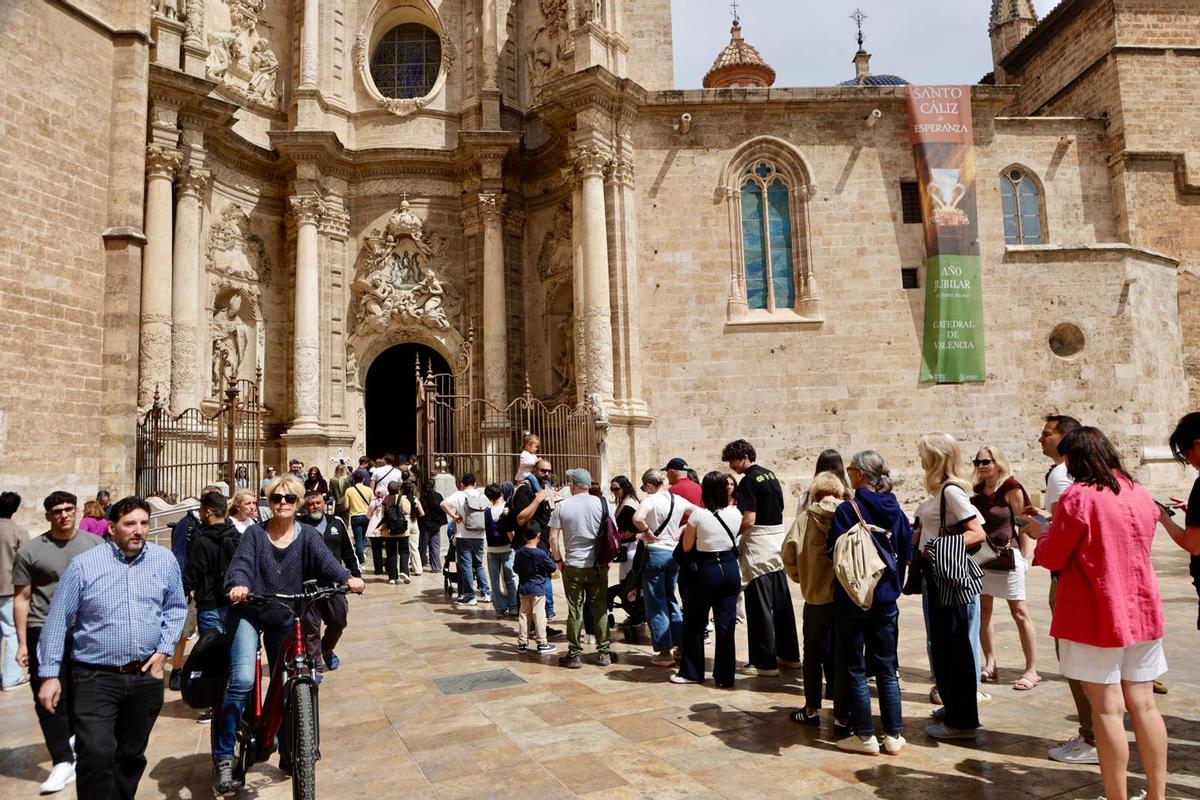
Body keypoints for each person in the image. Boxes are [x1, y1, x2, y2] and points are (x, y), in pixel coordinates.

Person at [1028, 427, 1167, 800]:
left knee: (1107, 711)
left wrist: (1041, 535)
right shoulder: (1139, 492)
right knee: (1145, 705)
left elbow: (1054, 555)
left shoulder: (1079, 496)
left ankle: (1117, 796)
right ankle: (1157, 795)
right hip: (1143, 609)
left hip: (1096, 612)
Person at [213, 474, 364, 794]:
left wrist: (348, 578)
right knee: (243, 679)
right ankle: (224, 756)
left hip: (283, 612)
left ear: (298, 503)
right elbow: (240, 565)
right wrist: (238, 584)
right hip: (250, 610)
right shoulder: (254, 534)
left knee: (291, 678)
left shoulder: (307, 535)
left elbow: (327, 563)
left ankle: (292, 748)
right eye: (276, 498)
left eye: (289, 498)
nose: (283, 503)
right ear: (269, 502)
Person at [36, 496, 186, 800]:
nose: (139, 530)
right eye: (130, 524)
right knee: (96, 752)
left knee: (131, 755)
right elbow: (57, 620)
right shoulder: (84, 565)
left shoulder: (164, 560)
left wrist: (164, 650)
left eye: (144, 523)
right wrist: (49, 675)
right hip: (95, 677)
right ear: (112, 528)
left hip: (145, 675)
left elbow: (175, 607)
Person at [13, 491, 102, 794]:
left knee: (81, 690)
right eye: (57, 511)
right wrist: (22, 642)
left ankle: (74, 742)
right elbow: (22, 597)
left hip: (83, 629)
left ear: (76, 511)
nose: (64, 515)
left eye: (68, 509)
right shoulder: (31, 550)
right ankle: (62, 759)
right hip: (43, 628)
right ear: (48, 515)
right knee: (46, 694)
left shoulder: (94, 545)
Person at [828, 452, 912, 755]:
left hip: (853, 600)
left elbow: (833, 554)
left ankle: (865, 736)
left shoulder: (847, 510)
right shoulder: (895, 509)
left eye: (851, 469)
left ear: (861, 474)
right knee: (887, 668)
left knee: (855, 667)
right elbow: (906, 551)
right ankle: (893, 735)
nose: (848, 474)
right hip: (887, 600)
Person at [1026, 414, 1098, 765]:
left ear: (1067, 438)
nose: (1041, 439)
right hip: (1101, 581)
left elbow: (1059, 537)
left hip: (1069, 579)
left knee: (1074, 659)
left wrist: (1038, 531)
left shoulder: (1059, 475)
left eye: (1047, 433)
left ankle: (1091, 736)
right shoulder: (1113, 483)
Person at [915, 432, 988, 740]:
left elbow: (977, 532)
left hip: (949, 578)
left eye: (924, 454)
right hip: (937, 578)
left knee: (955, 648)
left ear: (935, 457)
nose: (920, 460)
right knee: (943, 646)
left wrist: (937, 547)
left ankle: (963, 722)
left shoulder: (951, 491)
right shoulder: (941, 490)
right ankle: (953, 708)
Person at [723, 439, 801, 677]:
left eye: (733, 460)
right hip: (776, 545)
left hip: (758, 548)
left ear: (745, 456)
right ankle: (789, 655)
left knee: (759, 606)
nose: (731, 466)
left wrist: (731, 536)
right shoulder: (771, 475)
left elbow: (749, 519)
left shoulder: (748, 481)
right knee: (781, 603)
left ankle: (764, 663)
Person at [971, 445, 1040, 691]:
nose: (981, 467)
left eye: (986, 462)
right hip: (983, 558)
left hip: (1008, 556)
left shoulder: (1011, 488)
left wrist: (1025, 557)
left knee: (1019, 612)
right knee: (983, 611)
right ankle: (990, 662)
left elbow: (1024, 524)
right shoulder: (977, 492)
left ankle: (1032, 670)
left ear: (998, 462)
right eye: (977, 462)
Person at [786, 470, 844, 726]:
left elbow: (788, 553)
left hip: (815, 599)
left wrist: (802, 577)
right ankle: (843, 715)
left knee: (812, 655)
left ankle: (811, 709)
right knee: (844, 654)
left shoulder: (804, 520)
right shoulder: (848, 514)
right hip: (843, 598)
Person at [673, 471, 742, 687]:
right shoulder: (736, 512)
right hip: (730, 568)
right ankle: (724, 676)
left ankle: (692, 672)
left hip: (706, 569)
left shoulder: (698, 515)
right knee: (726, 625)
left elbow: (686, 547)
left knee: (695, 622)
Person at [550, 468, 614, 668]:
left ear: (574, 484)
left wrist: (558, 560)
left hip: (573, 566)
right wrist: (609, 558)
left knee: (575, 611)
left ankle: (574, 654)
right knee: (600, 609)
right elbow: (613, 534)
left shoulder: (562, 506)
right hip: (598, 565)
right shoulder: (604, 504)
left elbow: (552, 537)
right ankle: (604, 653)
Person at [633, 469, 693, 667]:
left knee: (656, 602)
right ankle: (681, 647)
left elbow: (637, 518)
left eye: (644, 486)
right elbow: (700, 514)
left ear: (650, 484)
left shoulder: (650, 500)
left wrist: (647, 530)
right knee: (671, 598)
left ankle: (664, 651)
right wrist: (682, 529)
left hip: (655, 552)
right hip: (673, 554)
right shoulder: (677, 499)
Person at [299, 491, 361, 671]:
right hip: (309, 585)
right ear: (305, 506)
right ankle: (315, 668)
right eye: (311, 504)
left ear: (324, 503)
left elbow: (348, 551)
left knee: (339, 621)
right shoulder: (299, 525)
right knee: (311, 629)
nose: (315, 507)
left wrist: (355, 575)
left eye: (318, 503)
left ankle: (326, 649)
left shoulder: (337, 522)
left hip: (334, 583)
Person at [168, 483, 219, 691]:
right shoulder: (187, 524)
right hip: (192, 585)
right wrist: (184, 585)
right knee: (184, 630)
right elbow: (179, 555)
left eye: (216, 496)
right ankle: (176, 669)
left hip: (211, 587)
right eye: (209, 496)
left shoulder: (220, 525)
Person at [182, 492, 239, 637]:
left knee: (210, 649)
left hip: (209, 606)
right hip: (233, 603)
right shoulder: (237, 537)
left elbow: (193, 576)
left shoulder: (202, 542)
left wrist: (184, 592)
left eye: (201, 510)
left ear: (208, 512)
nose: (200, 515)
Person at [512, 459, 558, 623]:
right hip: (528, 544)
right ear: (534, 470)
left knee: (543, 579)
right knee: (532, 582)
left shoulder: (546, 488)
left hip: (542, 542)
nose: (547, 474)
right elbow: (520, 519)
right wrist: (537, 500)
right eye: (543, 471)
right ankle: (534, 622)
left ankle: (542, 620)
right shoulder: (524, 490)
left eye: (549, 471)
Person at [441, 474, 491, 606]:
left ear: (462, 484)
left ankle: (470, 596)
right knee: (479, 565)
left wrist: (454, 516)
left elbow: (443, 504)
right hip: (480, 535)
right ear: (475, 484)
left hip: (463, 535)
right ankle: (486, 593)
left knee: (466, 566)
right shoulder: (482, 496)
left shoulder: (459, 495)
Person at [0, 491, 29, 691]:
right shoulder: (18, 532)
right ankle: (11, 677)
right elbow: (26, 562)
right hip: (9, 588)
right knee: (12, 632)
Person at [514, 529, 557, 655]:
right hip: (538, 588)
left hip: (524, 588)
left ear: (524, 536)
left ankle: (522, 643)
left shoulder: (519, 552)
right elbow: (552, 568)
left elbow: (515, 569)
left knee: (523, 615)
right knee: (539, 616)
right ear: (538, 535)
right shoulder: (541, 553)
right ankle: (542, 643)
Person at [483, 483, 518, 617]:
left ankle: (499, 608)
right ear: (501, 494)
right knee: (510, 578)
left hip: (492, 549)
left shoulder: (486, 511)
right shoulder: (507, 508)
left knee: (495, 581)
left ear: (488, 497)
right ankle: (513, 606)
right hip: (507, 547)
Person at [380, 480, 413, 584]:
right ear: (398, 489)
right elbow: (407, 511)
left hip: (389, 531)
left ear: (388, 489)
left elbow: (383, 514)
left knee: (391, 553)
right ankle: (404, 572)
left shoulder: (385, 499)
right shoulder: (402, 498)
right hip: (402, 530)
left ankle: (392, 577)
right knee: (404, 551)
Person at [610, 476, 640, 580]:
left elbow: (635, 524)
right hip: (627, 546)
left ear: (624, 487)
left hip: (630, 546)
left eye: (616, 489)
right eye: (612, 489)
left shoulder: (628, 504)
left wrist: (624, 535)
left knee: (627, 583)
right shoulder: (627, 500)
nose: (614, 492)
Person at [416, 479, 446, 574]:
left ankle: (420, 565)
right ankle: (436, 567)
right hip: (436, 526)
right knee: (435, 547)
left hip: (425, 525)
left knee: (422, 547)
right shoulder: (438, 496)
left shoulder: (423, 497)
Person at [345, 472, 373, 571]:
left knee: (358, 540)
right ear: (363, 479)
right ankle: (362, 553)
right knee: (364, 538)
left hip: (355, 516)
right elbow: (372, 504)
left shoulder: (349, 490)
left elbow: (346, 506)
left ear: (354, 479)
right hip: (366, 516)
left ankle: (361, 561)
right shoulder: (369, 490)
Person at [403, 481, 424, 576]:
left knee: (404, 547)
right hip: (414, 523)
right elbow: (422, 513)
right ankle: (418, 569)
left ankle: (404, 568)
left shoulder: (401, 499)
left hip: (405, 523)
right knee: (414, 547)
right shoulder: (415, 499)